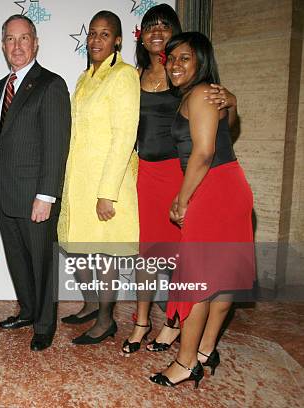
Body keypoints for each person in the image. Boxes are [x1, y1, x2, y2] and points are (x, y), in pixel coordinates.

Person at [123, 4, 238, 354]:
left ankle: (174, 324)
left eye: (165, 24)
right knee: (148, 253)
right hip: (145, 174)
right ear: (141, 35)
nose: (157, 31)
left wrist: (231, 103)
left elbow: (225, 130)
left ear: (177, 33)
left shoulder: (188, 76)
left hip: (182, 173)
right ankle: (142, 321)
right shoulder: (134, 75)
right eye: (150, 25)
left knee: (182, 256)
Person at [150, 32, 254, 388]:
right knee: (221, 279)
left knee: (195, 282)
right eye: (172, 58)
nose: (175, 64)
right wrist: (233, 104)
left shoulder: (199, 93)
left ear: (201, 62)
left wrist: (181, 198)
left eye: (185, 58)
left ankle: (185, 361)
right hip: (229, 186)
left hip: (212, 190)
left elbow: (205, 151)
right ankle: (206, 350)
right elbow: (229, 128)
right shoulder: (209, 93)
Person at [57, 11, 139, 345]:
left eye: (104, 34)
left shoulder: (124, 75)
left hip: (107, 183)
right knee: (77, 249)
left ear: (118, 40)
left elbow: (124, 136)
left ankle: (106, 320)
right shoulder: (84, 78)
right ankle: (91, 303)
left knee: (104, 254)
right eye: (92, 34)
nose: (95, 40)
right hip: (78, 180)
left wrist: (107, 193)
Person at [0, 15, 71, 351]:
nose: (17, 46)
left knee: (41, 262)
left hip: (36, 196)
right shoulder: (0, 87)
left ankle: (44, 324)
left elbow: (57, 145)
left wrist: (46, 195)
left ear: (35, 42)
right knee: (18, 260)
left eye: (24, 38)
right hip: (7, 194)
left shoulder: (51, 84)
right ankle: (27, 310)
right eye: (10, 39)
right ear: (3, 45)